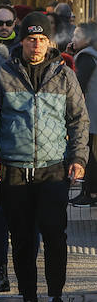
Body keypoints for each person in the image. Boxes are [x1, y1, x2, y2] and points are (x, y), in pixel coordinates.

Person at [0, 12, 88, 302]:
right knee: (22, 238)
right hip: (14, 168)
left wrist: (79, 159)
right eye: (30, 39)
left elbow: (79, 119)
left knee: (55, 234)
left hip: (53, 168)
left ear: (49, 41)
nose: (36, 45)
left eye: (41, 39)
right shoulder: (3, 73)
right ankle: (28, 298)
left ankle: (55, 297)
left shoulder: (64, 74)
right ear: (21, 40)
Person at [71, 21, 97, 207]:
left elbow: (77, 84)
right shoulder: (89, 54)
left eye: (77, 36)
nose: (73, 39)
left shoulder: (85, 57)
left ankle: (90, 193)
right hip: (92, 111)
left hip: (90, 112)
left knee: (89, 153)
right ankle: (87, 191)